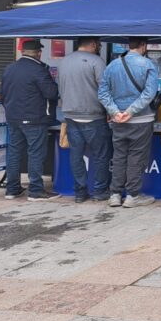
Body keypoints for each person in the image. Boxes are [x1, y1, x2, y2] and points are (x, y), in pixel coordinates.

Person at [98, 38, 160, 208]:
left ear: (128, 46)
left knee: (118, 156)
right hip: (141, 120)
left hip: (118, 120)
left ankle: (115, 194)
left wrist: (115, 112)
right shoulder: (148, 65)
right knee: (136, 157)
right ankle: (133, 196)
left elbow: (103, 93)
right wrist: (131, 111)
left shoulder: (112, 65)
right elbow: (149, 93)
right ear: (144, 46)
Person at [0, 39, 59, 201]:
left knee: (14, 152)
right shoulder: (39, 70)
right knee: (36, 153)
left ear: (22, 52)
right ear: (39, 53)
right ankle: (36, 190)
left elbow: (2, 95)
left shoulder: (9, 68)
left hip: (13, 118)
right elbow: (51, 93)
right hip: (34, 118)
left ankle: (12, 189)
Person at [57, 37, 112, 203]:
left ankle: (80, 193)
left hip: (70, 115)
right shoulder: (97, 61)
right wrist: (112, 111)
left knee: (76, 155)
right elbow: (104, 90)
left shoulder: (64, 62)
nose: (99, 48)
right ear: (93, 44)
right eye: (99, 45)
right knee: (101, 155)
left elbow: (60, 87)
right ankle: (100, 191)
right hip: (93, 115)